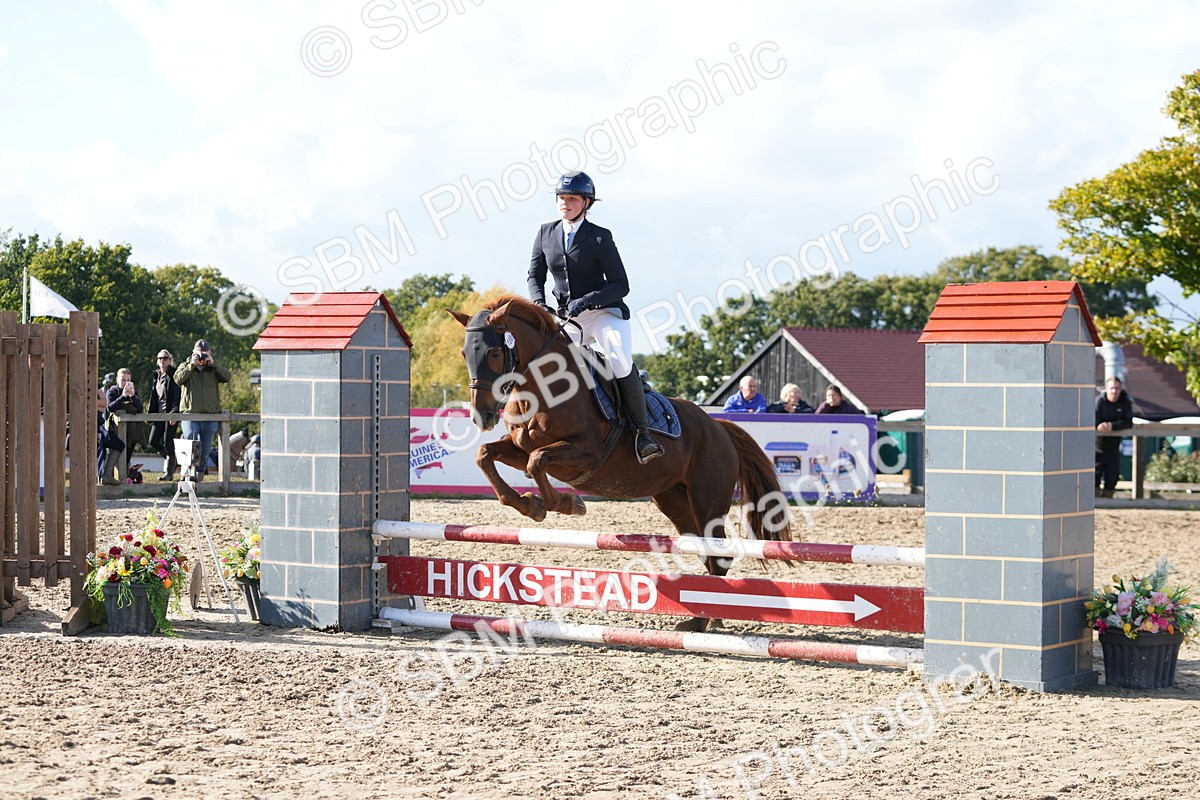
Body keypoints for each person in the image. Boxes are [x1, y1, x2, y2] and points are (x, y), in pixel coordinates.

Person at [527, 170, 663, 464]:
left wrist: (587, 301)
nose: (565, 203)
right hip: (567, 318)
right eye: (561, 198)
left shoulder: (600, 237)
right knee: (544, 363)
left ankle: (642, 433)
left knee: (618, 359)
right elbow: (534, 276)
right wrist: (540, 304)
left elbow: (620, 285)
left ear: (586, 202)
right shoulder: (545, 233)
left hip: (604, 314)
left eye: (572, 199)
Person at [174, 339, 232, 479]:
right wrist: (191, 365)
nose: (201, 357)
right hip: (190, 414)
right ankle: (188, 471)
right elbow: (177, 379)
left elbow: (227, 377)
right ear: (193, 352)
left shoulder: (213, 369)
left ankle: (199, 474)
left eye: (205, 354)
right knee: (191, 442)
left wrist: (214, 364)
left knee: (205, 448)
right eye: (199, 353)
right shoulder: (185, 366)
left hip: (210, 415)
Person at [1095, 376, 1133, 498]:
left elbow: (1128, 422)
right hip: (1096, 449)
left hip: (1114, 449)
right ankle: (1095, 503)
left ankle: (1107, 503)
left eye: (1117, 388)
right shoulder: (1099, 401)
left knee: (1112, 480)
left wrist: (1111, 426)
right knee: (1093, 479)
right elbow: (1093, 419)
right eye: (1112, 388)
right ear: (1106, 389)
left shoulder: (1125, 402)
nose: (1114, 391)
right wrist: (1099, 425)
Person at [147, 349, 182, 481]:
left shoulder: (173, 374)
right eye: (160, 358)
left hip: (170, 412)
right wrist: (150, 413)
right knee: (153, 441)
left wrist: (174, 413)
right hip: (159, 413)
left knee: (168, 441)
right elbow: (154, 396)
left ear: (170, 360)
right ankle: (173, 461)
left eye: (165, 358)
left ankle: (169, 473)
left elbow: (177, 394)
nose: (162, 360)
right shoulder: (156, 375)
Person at [105, 368, 144, 477]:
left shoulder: (133, 392)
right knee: (117, 454)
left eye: (128, 380)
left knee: (128, 455)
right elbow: (110, 407)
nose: (126, 383)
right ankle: (112, 476)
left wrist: (133, 396)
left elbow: (140, 408)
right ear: (117, 379)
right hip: (115, 429)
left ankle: (125, 477)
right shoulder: (112, 391)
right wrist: (123, 396)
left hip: (132, 431)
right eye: (123, 380)